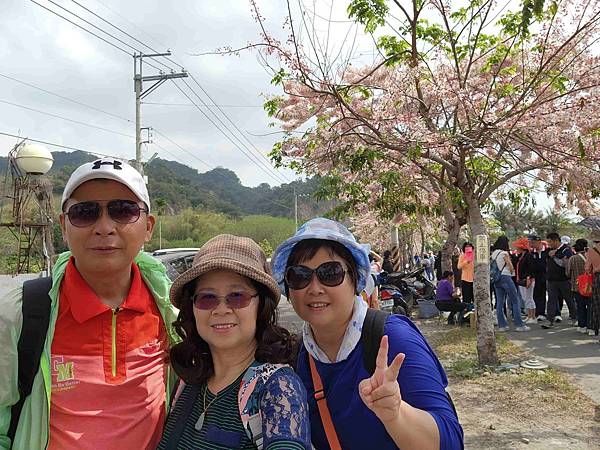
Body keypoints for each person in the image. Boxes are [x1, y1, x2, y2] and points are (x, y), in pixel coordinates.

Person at [0, 157, 180, 449]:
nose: (105, 227)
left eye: (123, 211)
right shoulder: (20, 314)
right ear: (64, 226)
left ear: (148, 227)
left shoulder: (173, 313)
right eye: (85, 213)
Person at [271, 218, 464, 450]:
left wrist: (396, 414)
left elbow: (450, 443)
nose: (314, 288)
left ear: (356, 280)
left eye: (330, 273)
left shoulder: (391, 338)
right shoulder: (298, 357)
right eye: (299, 275)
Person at [158, 234, 310, 449]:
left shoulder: (277, 388)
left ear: (261, 307)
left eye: (237, 296)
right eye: (207, 298)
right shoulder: (188, 381)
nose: (221, 309)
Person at [491, 236, 531, 332]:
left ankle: (502, 326)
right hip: (506, 277)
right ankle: (519, 325)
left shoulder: (494, 254)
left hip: (497, 279)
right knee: (515, 300)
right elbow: (510, 266)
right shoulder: (504, 253)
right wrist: (512, 270)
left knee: (500, 302)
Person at [542, 232, 576, 328]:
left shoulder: (566, 249)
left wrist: (556, 255)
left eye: (550, 242)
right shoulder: (549, 250)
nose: (549, 244)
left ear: (556, 240)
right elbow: (544, 256)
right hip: (551, 280)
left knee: (569, 299)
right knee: (551, 300)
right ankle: (549, 320)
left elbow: (567, 262)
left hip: (564, 280)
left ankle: (575, 318)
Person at [567, 238, 589, 333]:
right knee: (590, 306)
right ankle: (590, 325)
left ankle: (582, 325)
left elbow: (568, 273)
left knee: (580, 306)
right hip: (589, 286)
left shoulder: (573, 258)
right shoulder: (589, 257)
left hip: (577, 286)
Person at [513, 237, 536, 324]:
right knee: (526, 298)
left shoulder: (528, 256)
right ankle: (529, 315)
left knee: (529, 298)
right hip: (522, 280)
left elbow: (532, 268)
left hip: (527, 279)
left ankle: (532, 316)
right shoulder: (521, 256)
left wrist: (529, 277)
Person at [527, 235, 547, 321]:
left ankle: (556, 313)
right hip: (537, 277)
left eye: (533, 242)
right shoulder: (531, 253)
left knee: (554, 296)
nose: (531, 244)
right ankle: (540, 313)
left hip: (548, 276)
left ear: (539, 242)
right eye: (530, 243)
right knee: (538, 294)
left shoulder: (547, 251)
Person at [584, 229, 600, 337]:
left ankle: (596, 327)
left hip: (598, 278)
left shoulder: (591, 250)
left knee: (596, 304)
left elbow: (588, 269)